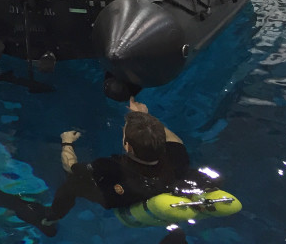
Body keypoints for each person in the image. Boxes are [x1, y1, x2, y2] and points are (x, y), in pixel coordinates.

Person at [39, 97, 196, 241]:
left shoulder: (108, 166)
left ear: (127, 146)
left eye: (124, 131)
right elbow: (175, 140)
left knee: (72, 184)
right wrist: (145, 119)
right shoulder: (177, 157)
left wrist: (67, 142)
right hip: (159, 192)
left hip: (117, 199)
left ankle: (51, 218)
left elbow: (70, 166)